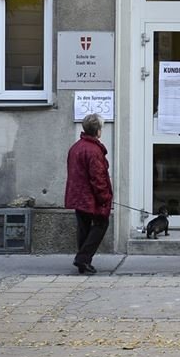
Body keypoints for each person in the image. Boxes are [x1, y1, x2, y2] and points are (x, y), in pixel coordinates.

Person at [64, 114, 113, 275]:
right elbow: (98, 178)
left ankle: (83, 262)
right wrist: (105, 198)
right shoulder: (93, 151)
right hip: (89, 196)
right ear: (97, 131)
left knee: (84, 228)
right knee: (101, 224)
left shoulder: (76, 147)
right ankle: (83, 259)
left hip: (78, 194)